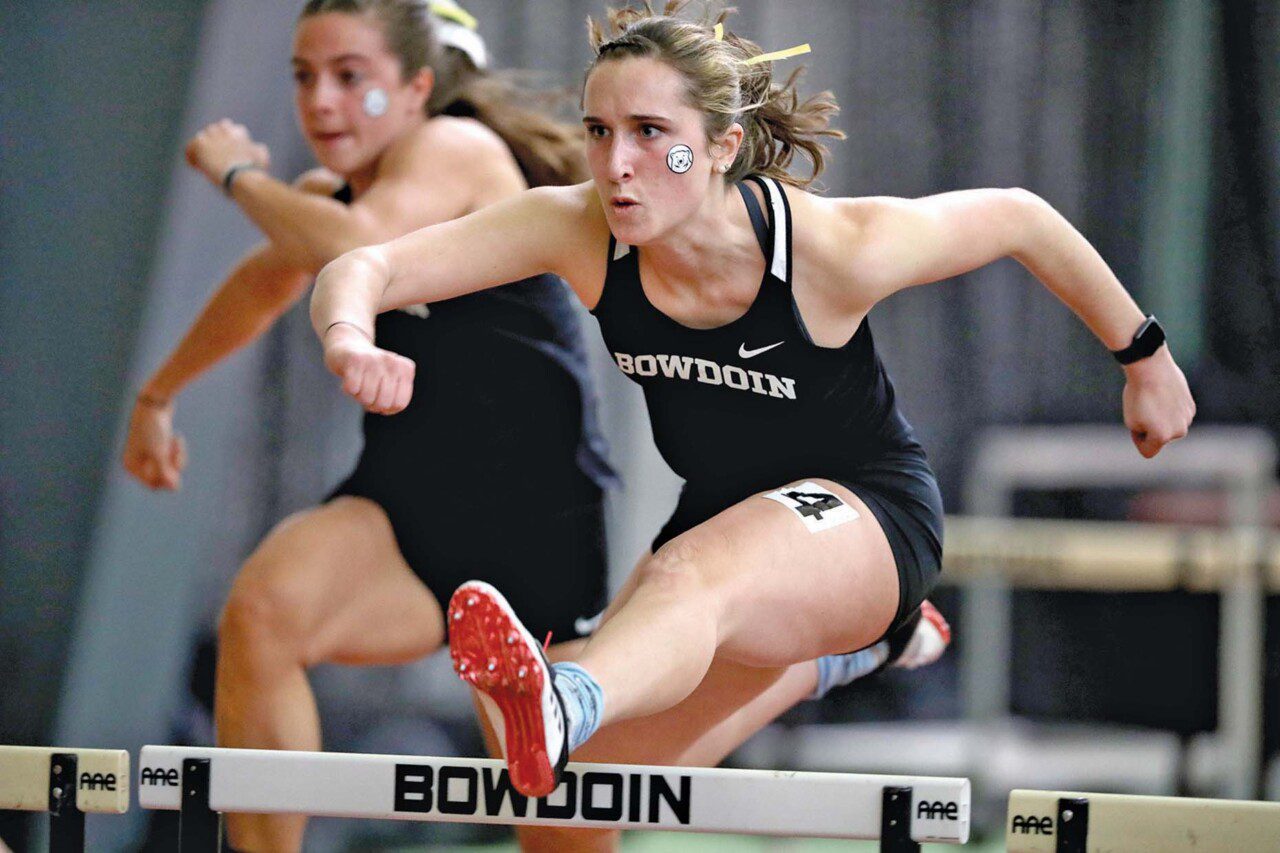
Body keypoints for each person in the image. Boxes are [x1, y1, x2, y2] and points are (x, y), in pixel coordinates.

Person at [312, 0, 1194, 802]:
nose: (617, 165)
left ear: (722, 147)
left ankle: (570, 694)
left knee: (675, 593)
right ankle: (841, 655)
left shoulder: (832, 249)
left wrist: (1145, 357)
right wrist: (351, 338)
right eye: (599, 131)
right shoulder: (577, 227)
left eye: (652, 133)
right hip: (721, 518)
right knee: (590, 782)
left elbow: (1019, 216)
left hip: (868, 512)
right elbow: (367, 266)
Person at [122, 1, 615, 849]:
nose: (321, 102)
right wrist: (156, 395)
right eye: (304, 77)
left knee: (556, 827)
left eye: (352, 78)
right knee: (264, 610)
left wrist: (240, 177)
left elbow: (360, 244)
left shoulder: (455, 147)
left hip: (537, 520)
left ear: (418, 88)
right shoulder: (331, 197)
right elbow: (265, 283)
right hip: (409, 509)